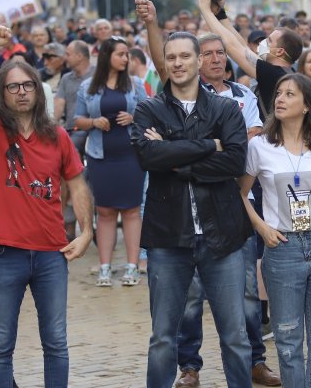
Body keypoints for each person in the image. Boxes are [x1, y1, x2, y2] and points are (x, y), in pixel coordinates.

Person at [0, 25, 94, 387]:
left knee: (57, 344)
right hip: (3, 253)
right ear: (1, 94)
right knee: (1, 347)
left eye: (28, 85)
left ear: (38, 89)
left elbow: (77, 184)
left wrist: (86, 233)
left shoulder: (58, 136)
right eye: (12, 87)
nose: (21, 92)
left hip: (52, 253)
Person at [130, 31, 253, 388]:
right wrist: (206, 146)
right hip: (169, 238)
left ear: (199, 61)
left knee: (235, 337)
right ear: (165, 64)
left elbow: (233, 162)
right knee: (163, 338)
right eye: (172, 58)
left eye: (186, 56)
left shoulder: (225, 108)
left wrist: (175, 154)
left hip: (223, 237)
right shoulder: (148, 108)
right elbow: (147, 156)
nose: (179, 63)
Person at [171, 32, 279, 387]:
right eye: (208, 53)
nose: (217, 58)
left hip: (238, 204)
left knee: (248, 290)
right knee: (190, 294)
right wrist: (218, 145)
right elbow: (181, 148)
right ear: (195, 60)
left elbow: (248, 145)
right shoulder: (183, 99)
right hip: (192, 205)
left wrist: (205, 147)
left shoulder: (243, 94)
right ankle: (189, 366)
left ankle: (254, 361)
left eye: (221, 52)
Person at [240, 73, 311, 387]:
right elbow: (239, 193)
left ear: (306, 105)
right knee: (287, 339)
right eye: (279, 93)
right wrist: (261, 227)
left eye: (290, 94)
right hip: (282, 247)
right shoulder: (260, 146)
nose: (281, 99)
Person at [74, 36, 148, 286]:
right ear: (107, 56)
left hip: (130, 155)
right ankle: (105, 267)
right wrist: (94, 123)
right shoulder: (88, 87)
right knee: (104, 211)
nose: (126, 58)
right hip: (99, 156)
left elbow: (149, 113)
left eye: (127, 54)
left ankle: (132, 266)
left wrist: (134, 116)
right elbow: (78, 120)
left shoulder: (136, 84)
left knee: (131, 210)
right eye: (120, 54)